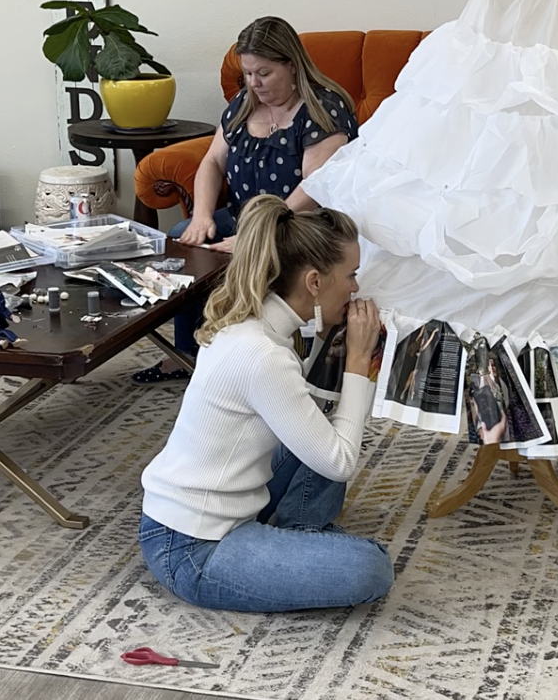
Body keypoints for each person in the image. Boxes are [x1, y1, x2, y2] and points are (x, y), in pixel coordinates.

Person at [139, 194, 395, 612]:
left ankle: (295, 536)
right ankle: (297, 540)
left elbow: (315, 422)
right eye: (350, 275)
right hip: (192, 548)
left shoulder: (263, 324)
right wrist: (358, 361)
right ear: (314, 282)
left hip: (208, 512)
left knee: (321, 421)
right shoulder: (262, 354)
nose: (355, 287)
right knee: (371, 569)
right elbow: (341, 461)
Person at [133, 15, 359, 386]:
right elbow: (211, 161)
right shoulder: (243, 104)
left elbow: (318, 188)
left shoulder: (323, 109)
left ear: (291, 64)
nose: (255, 83)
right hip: (243, 216)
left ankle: (250, 362)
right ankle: (187, 354)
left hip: (297, 225)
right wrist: (202, 216)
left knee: (254, 255)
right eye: (248, 74)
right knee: (182, 236)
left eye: (264, 73)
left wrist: (257, 235)